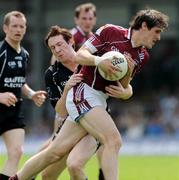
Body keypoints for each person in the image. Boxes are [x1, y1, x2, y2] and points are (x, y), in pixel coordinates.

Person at [9, 9, 169, 180]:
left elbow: (124, 85)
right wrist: (100, 61)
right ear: (144, 26)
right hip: (83, 91)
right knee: (113, 140)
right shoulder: (110, 31)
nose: (158, 37)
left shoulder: (142, 55)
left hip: (99, 100)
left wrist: (126, 89)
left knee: (55, 152)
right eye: (157, 31)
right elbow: (80, 55)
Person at [0, 11, 46, 180]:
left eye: (21, 26)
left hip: (13, 111)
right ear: (6, 28)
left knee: (16, 152)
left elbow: (20, 83)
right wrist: (0, 96)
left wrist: (32, 94)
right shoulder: (1, 53)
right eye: (14, 26)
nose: (18, 29)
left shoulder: (24, 54)